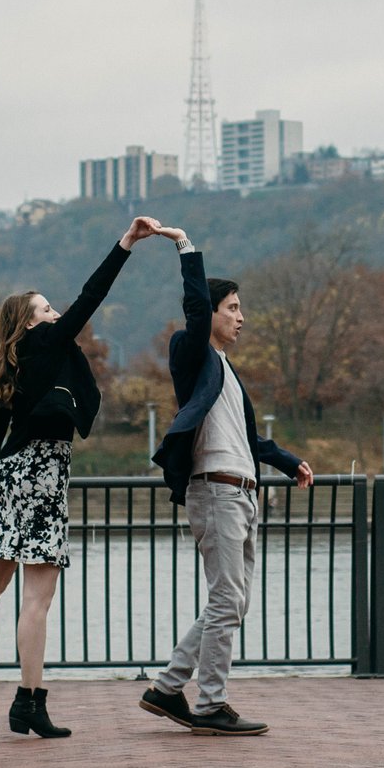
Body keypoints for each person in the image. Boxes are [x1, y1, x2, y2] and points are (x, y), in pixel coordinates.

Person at [0, 216, 164, 737]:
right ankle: (28, 701)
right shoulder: (45, 343)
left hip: (11, 473)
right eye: (46, 308)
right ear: (30, 323)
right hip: (42, 474)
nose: (57, 312)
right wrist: (125, 243)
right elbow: (93, 295)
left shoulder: (12, 360)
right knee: (36, 598)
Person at [138, 227, 311, 736]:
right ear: (211, 313)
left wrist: (287, 461)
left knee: (230, 602)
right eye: (233, 307)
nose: (242, 317)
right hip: (215, 490)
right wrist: (185, 247)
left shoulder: (226, 372)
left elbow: (250, 438)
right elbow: (192, 311)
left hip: (240, 492)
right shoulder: (192, 355)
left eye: (240, 308)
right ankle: (210, 704)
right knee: (225, 600)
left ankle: (168, 689)